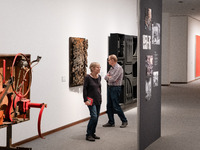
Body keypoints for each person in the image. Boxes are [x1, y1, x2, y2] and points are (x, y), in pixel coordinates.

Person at [103, 54, 128, 128]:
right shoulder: (111, 68)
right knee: (109, 105)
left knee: (116, 106)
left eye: (109, 60)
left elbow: (113, 79)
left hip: (116, 88)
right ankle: (111, 122)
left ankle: (124, 121)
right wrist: (109, 77)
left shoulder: (119, 68)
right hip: (110, 87)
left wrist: (109, 77)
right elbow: (105, 77)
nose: (108, 61)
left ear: (113, 60)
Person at [83, 62, 102, 142]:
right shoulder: (87, 77)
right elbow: (84, 89)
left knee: (96, 117)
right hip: (90, 100)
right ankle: (88, 134)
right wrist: (85, 100)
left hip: (98, 99)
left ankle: (93, 133)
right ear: (92, 68)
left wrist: (100, 98)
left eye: (99, 67)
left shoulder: (99, 77)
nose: (99, 68)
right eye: (97, 67)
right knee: (93, 116)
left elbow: (99, 88)